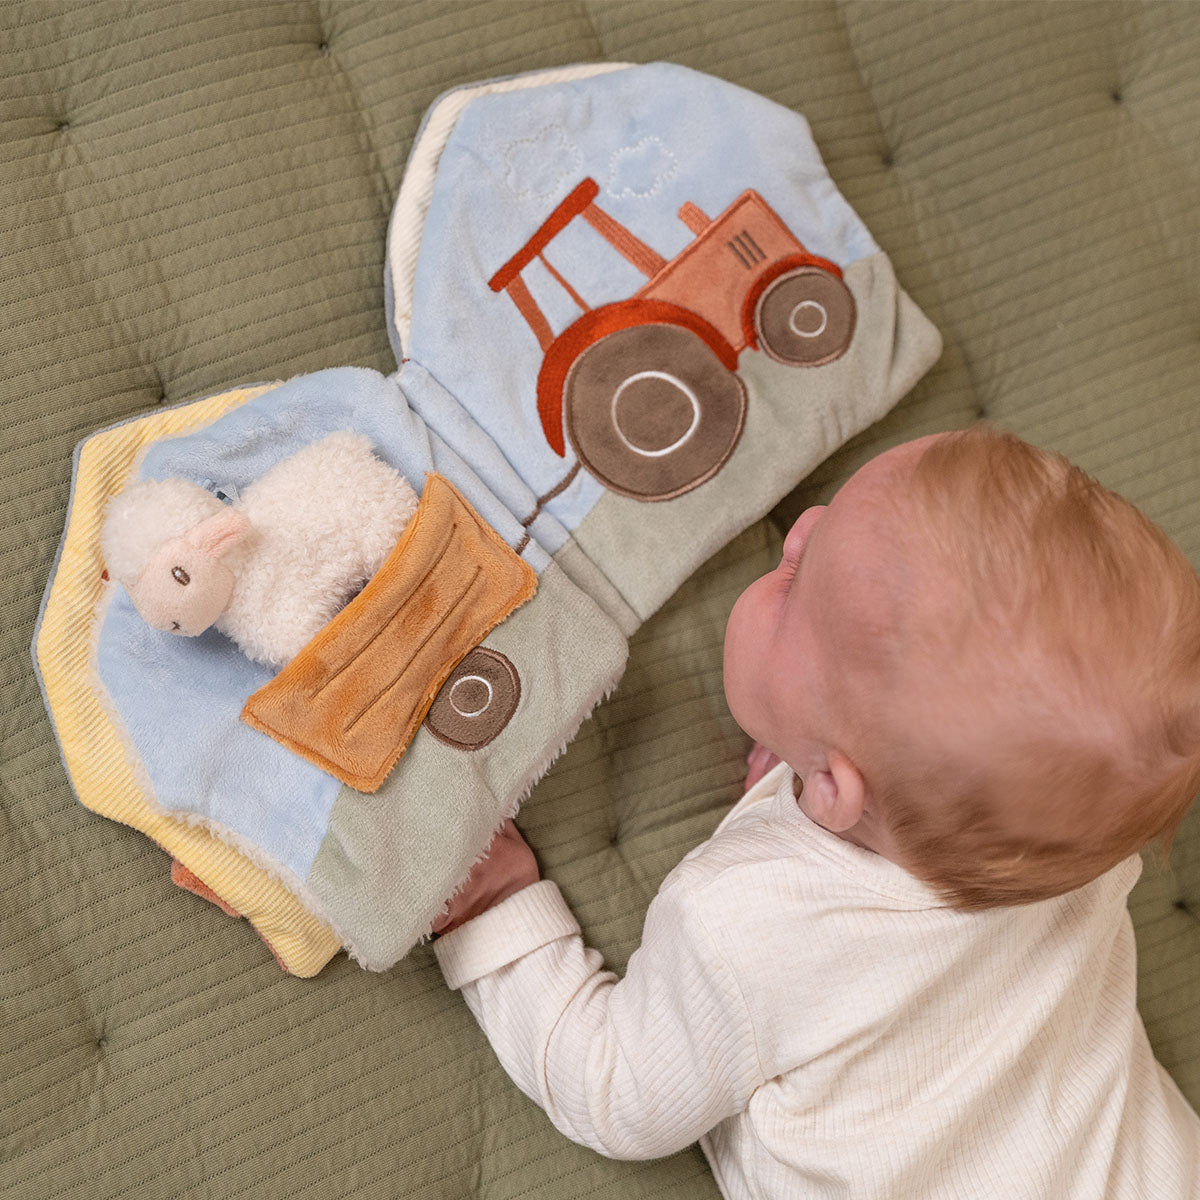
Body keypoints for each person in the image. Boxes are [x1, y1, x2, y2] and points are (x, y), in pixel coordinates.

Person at [429, 426, 1200, 1198]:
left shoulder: (745, 920)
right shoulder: (1081, 849)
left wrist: (497, 912)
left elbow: (615, 1090)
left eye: (797, 580)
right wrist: (813, 761)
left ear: (837, 791)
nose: (798, 526)